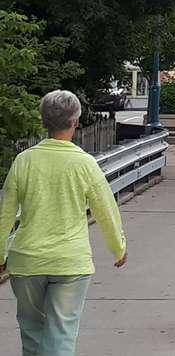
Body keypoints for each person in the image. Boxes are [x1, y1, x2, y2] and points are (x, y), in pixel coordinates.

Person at [0, 90, 128, 356]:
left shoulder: (23, 161)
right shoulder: (84, 164)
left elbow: (5, 214)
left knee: (32, 332)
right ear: (76, 122)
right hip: (70, 261)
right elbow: (106, 209)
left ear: (43, 121)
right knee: (61, 333)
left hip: (26, 261)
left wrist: (0, 254)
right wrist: (118, 248)